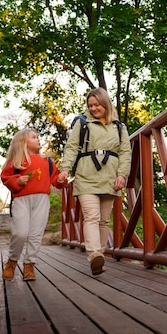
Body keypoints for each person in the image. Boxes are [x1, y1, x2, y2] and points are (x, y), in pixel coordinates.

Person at [58, 87, 131, 275]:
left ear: (105, 103)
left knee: (104, 221)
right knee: (91, 216)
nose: (93, 109)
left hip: (110, 177)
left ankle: (101, 255)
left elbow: (125, 153)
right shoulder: (82, 123)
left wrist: (122, 175)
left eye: (97, 105)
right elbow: (72, 147)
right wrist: (65, 169)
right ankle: (94, 255)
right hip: (86, 176)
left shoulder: (119, 127)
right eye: (90, 105)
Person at [0, 128, 68, 281]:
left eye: (38, 137)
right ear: (23, 142)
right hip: (21, 200)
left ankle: (29, 265)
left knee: (36, 234)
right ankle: (11, 261)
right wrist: (16, 181)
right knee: (20, 233)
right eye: (34, 137)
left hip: (42, 200)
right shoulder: (16, 161)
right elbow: (5, 177)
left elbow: (56, 181)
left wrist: (62, 178)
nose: (38, 139)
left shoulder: (47, 161)